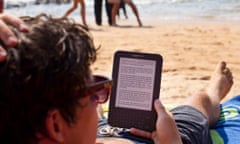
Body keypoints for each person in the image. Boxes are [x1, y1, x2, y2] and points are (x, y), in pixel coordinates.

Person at [0, 13, 237, 144]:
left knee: (104, 114)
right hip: (152, 138)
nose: (100, 98)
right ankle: (217, 87)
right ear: (55, 125)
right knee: (200, 101)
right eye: (94, 95)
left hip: (99, 133)